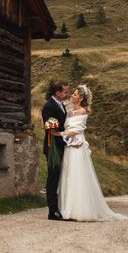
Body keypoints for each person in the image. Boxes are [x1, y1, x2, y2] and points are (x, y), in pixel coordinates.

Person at [58, 84, 127, 221]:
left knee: (78, 174)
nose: (72, 95)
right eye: (72, 93)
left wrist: (58, 134)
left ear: (81, 98)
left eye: (75, 94)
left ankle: (80, 210)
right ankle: (68, 209)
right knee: (68, 174)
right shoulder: (69, 111)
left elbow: (76, 130)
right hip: (69, 146)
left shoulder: (82, 112)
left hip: (77, 145)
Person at [41, 80, 74, 220]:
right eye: (65, 92)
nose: (67, 94)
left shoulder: (61, 105)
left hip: (61, 146)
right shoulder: (49, 107)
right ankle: (52, 211)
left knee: (60, 177)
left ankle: (61, 207)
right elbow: (52, 130)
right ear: (58, 93)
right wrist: (66, 140)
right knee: (53, 178)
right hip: (52, 147)